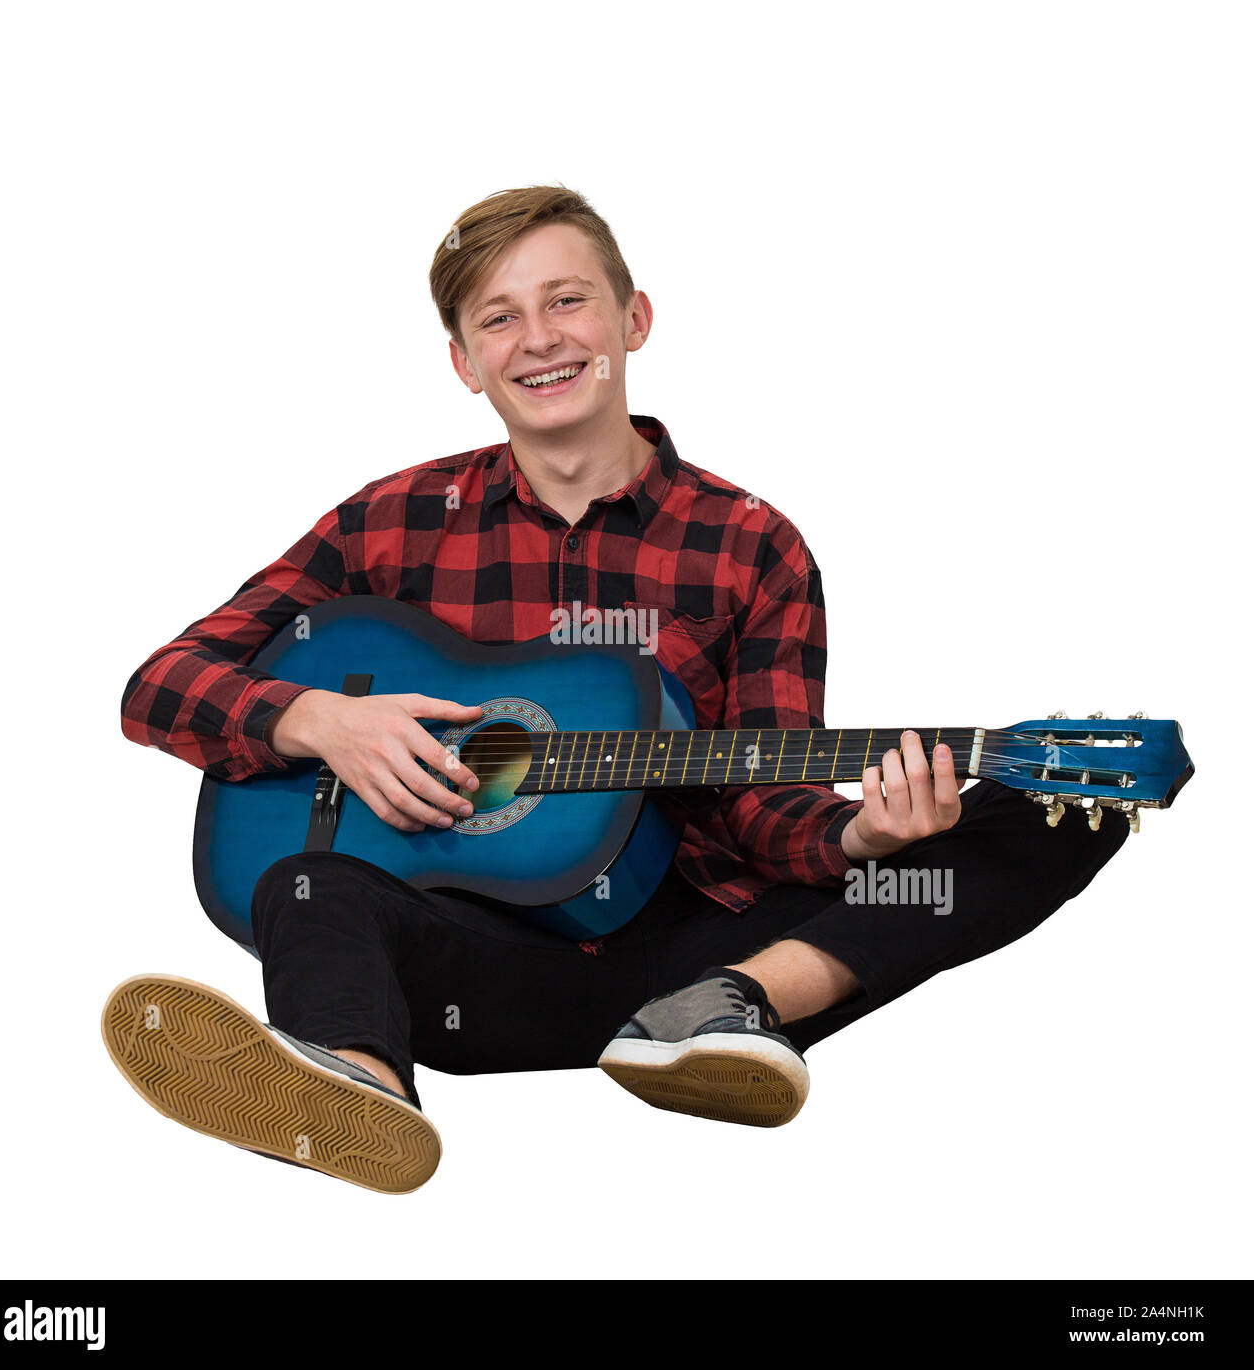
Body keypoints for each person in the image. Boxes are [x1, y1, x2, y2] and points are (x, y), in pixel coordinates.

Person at [110, 185, 1128, 1194]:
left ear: (632, 318)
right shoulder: (393, 521)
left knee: (1063, 814)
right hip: (481, 968)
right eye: (498, 318)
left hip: (697, 944)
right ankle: (354, 1080)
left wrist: (866, 838)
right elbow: (160, 686)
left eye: (567, 300)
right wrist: (321, 720)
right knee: (301, 878)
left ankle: (727, 1010)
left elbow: (765, 794)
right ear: (465, 363)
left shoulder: (748, 542)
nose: (539, 338)